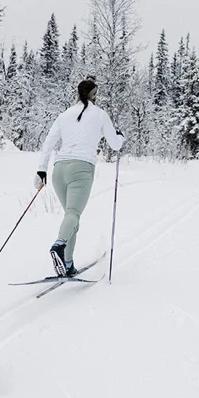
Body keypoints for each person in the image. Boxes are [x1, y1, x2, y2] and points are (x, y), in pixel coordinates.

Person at [35, 77, 124, 277]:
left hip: (59, 170)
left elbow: (48, 143)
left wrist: (42, 170)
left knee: (71, 215)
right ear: (94, 96)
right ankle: (58, 246)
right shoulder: (100, 115)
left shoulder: (64, 115)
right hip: (81, 169)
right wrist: (121, 137)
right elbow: (116, 145)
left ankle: (67, 264)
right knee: (73, 214)